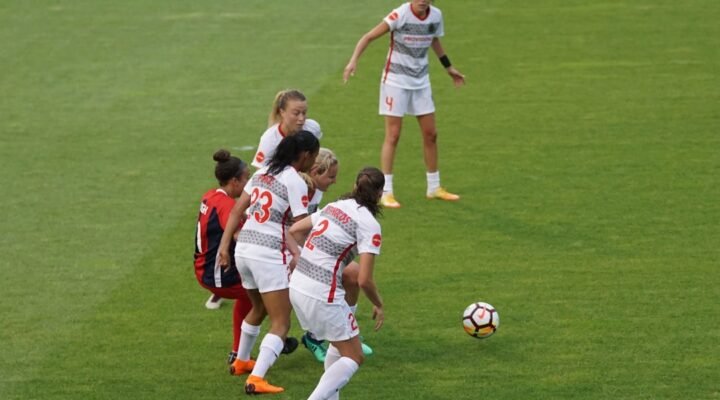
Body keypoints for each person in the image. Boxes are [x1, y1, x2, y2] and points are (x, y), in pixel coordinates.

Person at [218, 131, 320, 394]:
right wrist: (316, 250)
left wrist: (223, 248)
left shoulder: (261, 172)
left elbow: (237, 212)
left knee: (258, 308)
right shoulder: (294, 181)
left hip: (244, 251)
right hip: (268, 255)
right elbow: (300, 224)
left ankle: (241, 361)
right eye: (314, 157)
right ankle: (256, 378)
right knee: (281, 323)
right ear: (306, 155)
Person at [343, 0, 466, 209]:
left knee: (431, 134)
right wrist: (353, 60)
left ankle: (434, 187)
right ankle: (386, 192)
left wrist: (449, 68)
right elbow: (369, 36)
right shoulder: (400, 14)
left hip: (421, 82)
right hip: (395, 82)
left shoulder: (435, 16)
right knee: (393, 135)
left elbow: (433, 39)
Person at [289, 167, 386, 400]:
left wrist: (305, 256)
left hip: (298, 284)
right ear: (380, 193)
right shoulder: (369, 224)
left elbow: (294, 230)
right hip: (323, 294)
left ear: (355, 186)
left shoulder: (334, 206)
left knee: (338, 345)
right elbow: (364, 279)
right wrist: (379, 304)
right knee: (354, 356)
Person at [299, 149, 374, 363]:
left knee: (353, 275)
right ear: (315, 171)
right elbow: (292, 229)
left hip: (306, 246)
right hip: (286, 249)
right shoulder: (300, 189)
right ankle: (314, 338)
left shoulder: (316, 191)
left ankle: (344, 332)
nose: (334, 182)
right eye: (330, 176)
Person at [193, 149, 252, 365]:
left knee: (251, 296)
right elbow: (240, 236)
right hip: (217, 274)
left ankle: (239, 351)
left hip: (204, 267)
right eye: (246, 178)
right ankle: (277, 342)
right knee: (269, 293)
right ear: (234, 181)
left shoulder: (211, 195)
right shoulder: (228, 206)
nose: (248, 184)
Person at [251, 89, 323, 169]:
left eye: (304, 113)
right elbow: (260, 171)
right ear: (282, 112)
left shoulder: (312, 127)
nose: (301, 118)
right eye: (296, 113)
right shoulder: (270, 139)